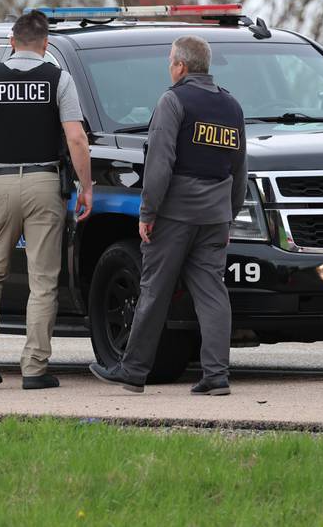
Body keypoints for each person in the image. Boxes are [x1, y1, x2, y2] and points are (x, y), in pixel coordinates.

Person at [89, 35, 247, 396]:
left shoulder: (173, 100)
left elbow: (160, 163)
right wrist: (229, 216)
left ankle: (133, 370)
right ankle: (216, 375)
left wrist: (148, 212)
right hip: (215, 215)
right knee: (211, 292)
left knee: (154, 289)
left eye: (170, 62)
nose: (169, 68)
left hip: (176, 213)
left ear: (181, 66)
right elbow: (240, 168)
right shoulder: (232, 107)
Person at [0, 10, 92, 390]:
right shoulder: (58, 79)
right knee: (43, 279)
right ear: (46, 45)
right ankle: (34, 367)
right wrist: (87, 186)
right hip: (44, 183)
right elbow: (76, 138)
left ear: (12, 42)